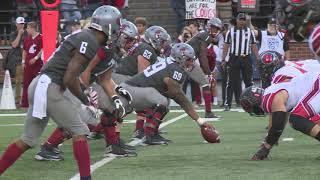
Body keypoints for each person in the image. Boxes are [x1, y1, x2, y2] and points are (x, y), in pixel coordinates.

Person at [0, 6, 121, 179]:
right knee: (80, 130)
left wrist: (83, 92)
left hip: (40, 84)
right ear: (109, 25)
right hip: (50, 86)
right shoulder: (90, 40)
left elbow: (70, 75)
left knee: (27, 140)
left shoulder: (84, 35)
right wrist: (84, 98)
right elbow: (69, 77)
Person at [221, 12, 259, 111]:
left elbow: (254, 45)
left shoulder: (250, 32)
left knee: (249, 82)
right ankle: (227, 104)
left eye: (243, 20)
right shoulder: (230, 32)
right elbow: (226, 46)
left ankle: (250, 103)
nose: (242, 21)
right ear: (236, 20)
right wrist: (223, 59)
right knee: (231, 82)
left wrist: (258, 58)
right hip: (234, 58)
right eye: (240, 19)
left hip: (246, 57)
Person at [187, 17, 223, 118]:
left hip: (187, 60)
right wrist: (208, 72)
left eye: (217, 29)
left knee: (205, 83)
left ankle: (208, 112)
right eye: (214, 28)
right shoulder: (206, 36)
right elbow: (203, 55)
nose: (215, 30)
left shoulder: (204, 35)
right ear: (209, 27)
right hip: (184, 60)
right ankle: (208, 112)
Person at [250, 17, 290, 89]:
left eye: (274, 25)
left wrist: (287, 63)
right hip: (265, 64)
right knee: (266, 85)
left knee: (278, 84)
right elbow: (253, 32)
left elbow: (287, 50)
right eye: (271, 25)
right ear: (268, 26)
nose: (272, 27)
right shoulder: (262, 34)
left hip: (278, 63)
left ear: (277, 27)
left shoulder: (282, 35)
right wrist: (248, 21)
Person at [3, 17, 27, 106]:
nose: (21, 25)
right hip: (17, 59)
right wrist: (20, 35)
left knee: (28, 80)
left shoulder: (28, 33)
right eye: (20, 24)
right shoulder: (13, 34)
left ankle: (27, 99)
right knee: (18, 80)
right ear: (16, 24)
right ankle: (18, 100)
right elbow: (14, 45)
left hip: (28, 58)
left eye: (23, 24)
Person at [21, 21, 43, 108]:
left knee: (37, 84)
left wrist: (36, 58)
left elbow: (43, 49)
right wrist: (23, 61)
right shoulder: (27, 38)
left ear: (33, 28)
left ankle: (38, 103)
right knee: (26, 83)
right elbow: (24, 50)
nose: (27, 30)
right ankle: (25, 103)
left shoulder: (41, 37)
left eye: (28, 28)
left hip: (37, 64)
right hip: (28, 65)